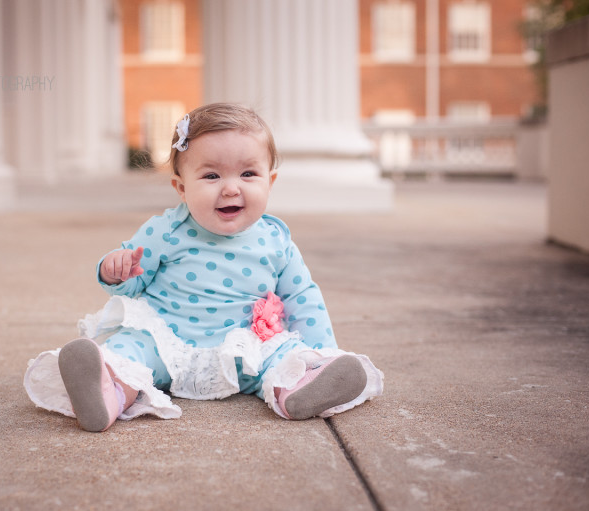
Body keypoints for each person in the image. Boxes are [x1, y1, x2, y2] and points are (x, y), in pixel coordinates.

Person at [24, 103, 383, 432]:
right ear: (181, 188)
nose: (230, 189)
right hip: (168, 343)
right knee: (129, 352)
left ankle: (306, 388)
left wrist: (322, 351)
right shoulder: (165, 230)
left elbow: (302, 296)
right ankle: (106, 392)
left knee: (283, 360)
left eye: (247, 174)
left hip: (247, 352)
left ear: (269, 182)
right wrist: (114, 270)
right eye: (211, 176)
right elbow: (133, 281)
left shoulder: (275, 240)